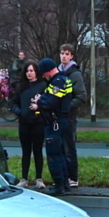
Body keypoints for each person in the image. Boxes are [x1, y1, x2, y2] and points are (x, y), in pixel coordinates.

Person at [30, 58, 73, 196]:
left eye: (43, 73)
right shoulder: (63, 79)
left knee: (53, 153)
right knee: (60, 153)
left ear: (48, 70)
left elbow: (51, 102)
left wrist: (39, 101)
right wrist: (43, 99)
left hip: (55, 122)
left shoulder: (58, 82)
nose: (43, 75)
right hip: (61, 121)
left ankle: (59, 185)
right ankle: (65, 184)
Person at [10, 61, 46, 189]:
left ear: (36, 72)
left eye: (31, 71)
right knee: (25, 152)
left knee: (38, 151)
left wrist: (39, 109)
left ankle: (39, 178)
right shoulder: (21, 87)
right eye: (27, 71)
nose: (29, 73)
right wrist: (19, 112)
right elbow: (13, 103)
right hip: (24, 123)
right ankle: (24, 178)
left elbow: (48, 102)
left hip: (38, 123)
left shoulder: (43, 85)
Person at [58, 44, 87, 188]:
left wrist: (67, 107)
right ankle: (63, 176)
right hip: (57, 117)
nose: (63, 56)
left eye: (67, 54)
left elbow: (81, 96)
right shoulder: (58, 72)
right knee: (60, 147)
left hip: (69, 117)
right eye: (62, 53)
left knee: (69, 147)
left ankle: (73, 177)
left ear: (71, 56)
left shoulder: (75, 74)